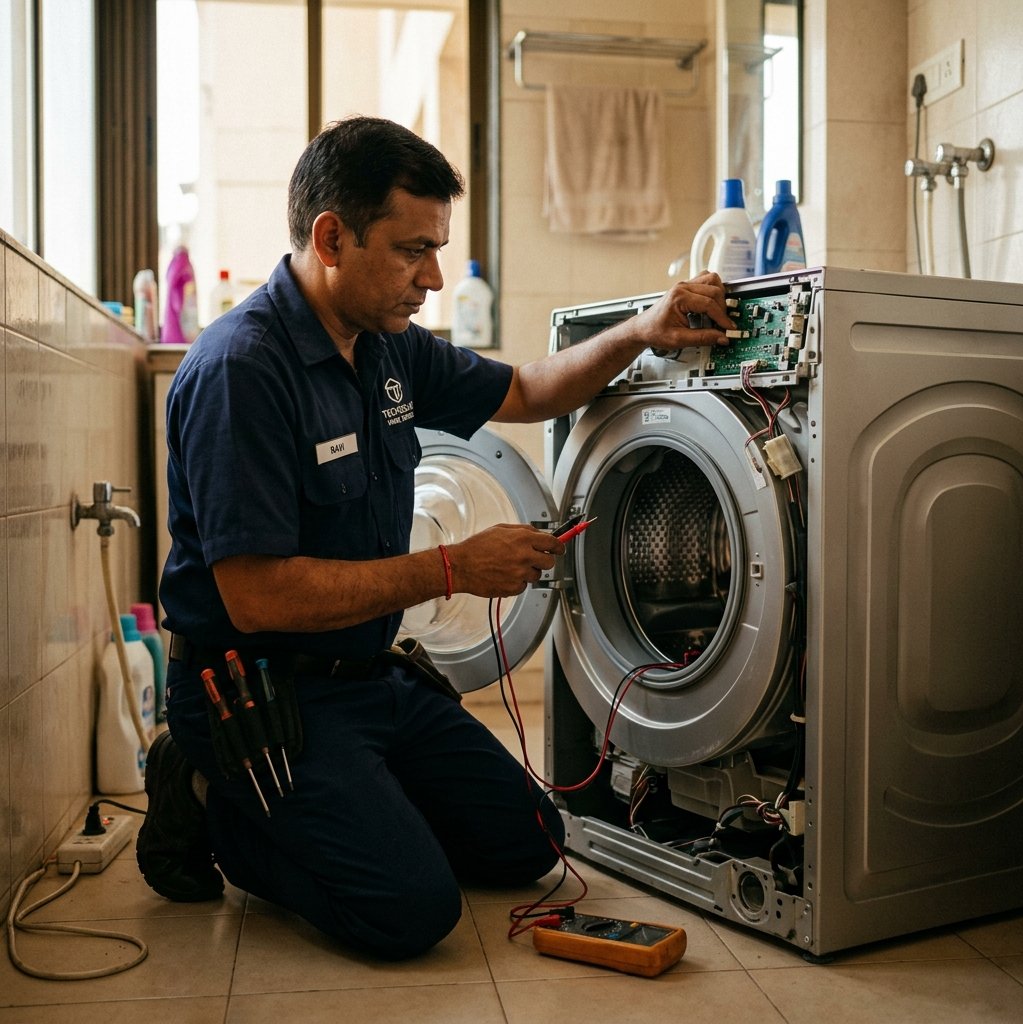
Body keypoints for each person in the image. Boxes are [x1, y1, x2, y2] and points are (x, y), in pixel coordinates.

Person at [137, 115, 732, 960]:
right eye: (413, 250)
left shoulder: (386, 348)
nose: (435, 277)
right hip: (259, 692)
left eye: (438, 248)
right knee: (409, 912)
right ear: (332, 237)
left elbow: (526, 390)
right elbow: (257, 594)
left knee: (531, 840)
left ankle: (355, 804)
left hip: (369, 677)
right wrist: (453, 566)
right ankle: (209, 801)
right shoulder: (244, 371)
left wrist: (642, 331)